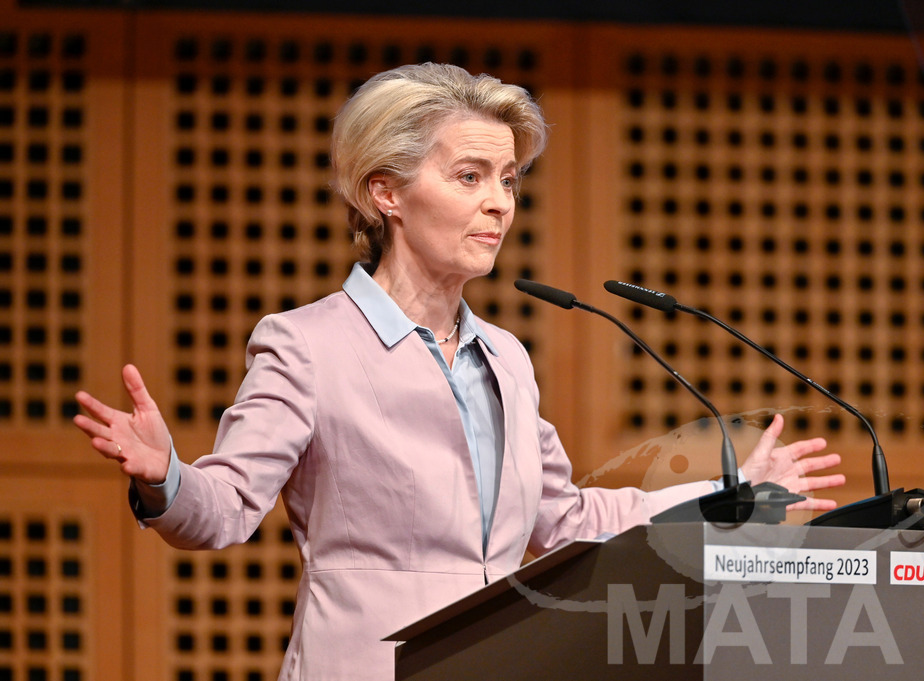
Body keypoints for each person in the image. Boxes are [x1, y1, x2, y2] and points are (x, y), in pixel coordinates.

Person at [73, 63, 845, 681]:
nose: (500, 205)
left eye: (508, 180)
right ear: (387, 191)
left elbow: (567, 521)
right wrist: (164, 475)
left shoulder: (507, 357)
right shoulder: (306, 345)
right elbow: (227, 507)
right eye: (470, 177)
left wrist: (728, 494)